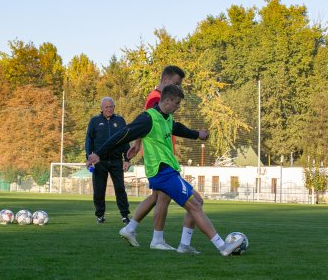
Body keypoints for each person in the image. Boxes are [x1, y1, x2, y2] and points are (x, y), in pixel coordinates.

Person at [86, 84, 244, 256]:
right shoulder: (148, 118)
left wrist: (197, 134)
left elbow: (178, 128)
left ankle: (182, 245)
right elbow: (123, 134)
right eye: (176, 103)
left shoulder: (167, 118)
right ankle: (222, 247)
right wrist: (99, 153)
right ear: (167, 100)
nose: (178, 107)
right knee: (194, 205)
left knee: (197, 201)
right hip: (161, 171)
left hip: (169, 170)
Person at [124, 65, 186, 250]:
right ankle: (157, 240)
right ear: (166, 80)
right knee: (164, 196)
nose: (179, 88)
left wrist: (137, 144)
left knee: (157, 196)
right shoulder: (155, 98)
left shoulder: (159, 97)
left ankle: (130, 228)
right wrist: (137, 144)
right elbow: (145, 122)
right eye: (176, 83)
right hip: (159, 157)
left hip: (163, 154)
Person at [85, 97, 131, 224]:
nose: (109, 109)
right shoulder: (94, 121)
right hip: (100, 162)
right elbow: (89, 140)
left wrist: (127, 159)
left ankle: (125, 215)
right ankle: (100, 215)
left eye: (111, 106)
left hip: (116, 161)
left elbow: (125, 140)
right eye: (106, 107)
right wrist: (89, 157)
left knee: (120, 189)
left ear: (114, 107)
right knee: (99, 190)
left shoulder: (120, 121)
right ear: (101, 108)